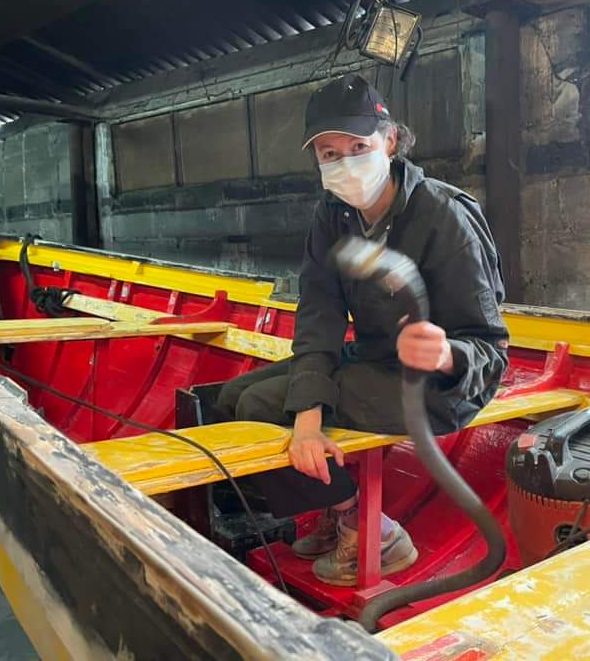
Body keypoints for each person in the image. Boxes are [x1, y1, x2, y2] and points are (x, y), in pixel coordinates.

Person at [215, 74, 508, 586]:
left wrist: (447, 354)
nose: (345, 163)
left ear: (390, 141)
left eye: (358, 147)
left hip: (440, 385)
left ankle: (370, 527)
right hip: (375, 360)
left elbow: (489, 348)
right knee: (231, 397)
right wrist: (308, 415)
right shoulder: (333, 216)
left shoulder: (444, 216)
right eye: (329, 153)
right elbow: (320, 313)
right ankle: (334, 506)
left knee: (260, 407)